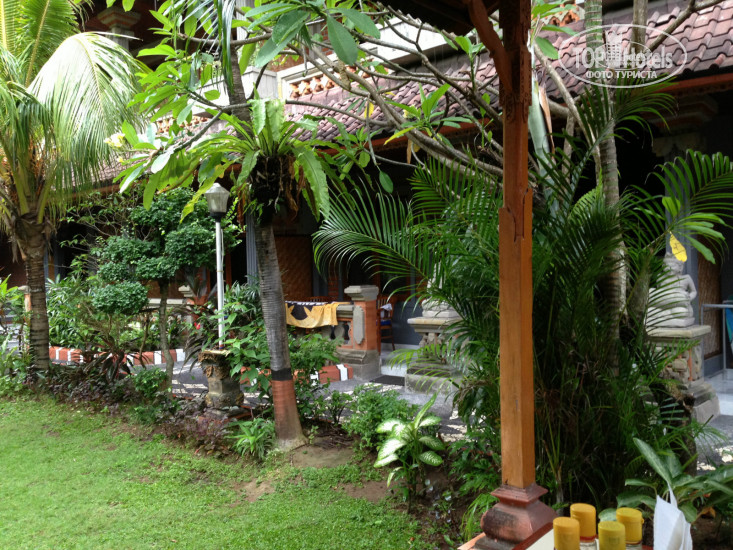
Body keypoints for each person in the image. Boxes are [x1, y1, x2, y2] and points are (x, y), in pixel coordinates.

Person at [646, 254, 697, 328]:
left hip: (681, 304)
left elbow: (694, 291)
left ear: (680, 267)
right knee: (648, 311)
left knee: (681, 312)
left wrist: (689, 297)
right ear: (663, 266)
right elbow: (659, 294)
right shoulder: (660, 278)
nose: (669, 268)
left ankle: (665, 315)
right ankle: (668, 314)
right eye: (667, 266)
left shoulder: (686, 278)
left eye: (673, 266)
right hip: (663, 305)